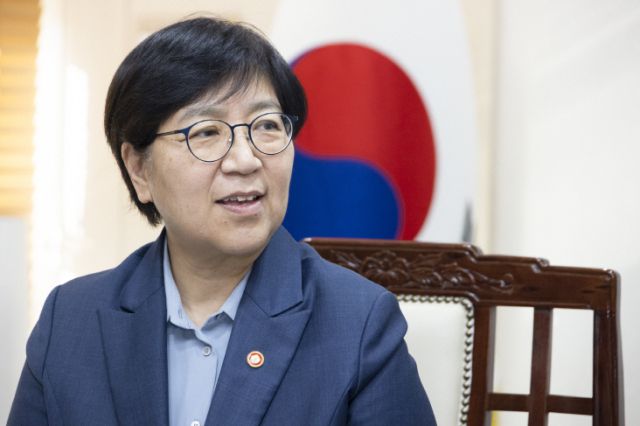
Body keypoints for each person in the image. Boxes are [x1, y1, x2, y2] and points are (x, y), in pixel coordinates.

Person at [9, 16, 436, 425]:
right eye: (206, 132)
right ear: (139, 169)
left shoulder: (359, 324)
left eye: (266, 125)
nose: (246, 160)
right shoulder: (71, 321)